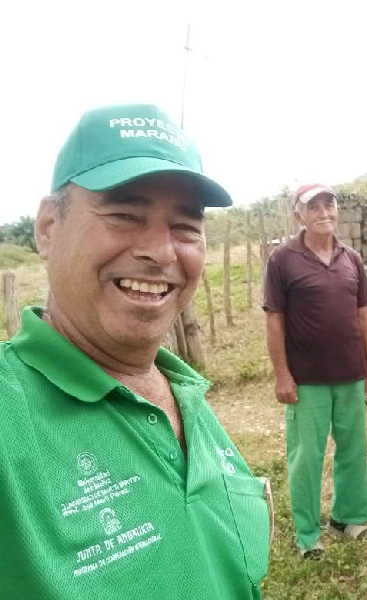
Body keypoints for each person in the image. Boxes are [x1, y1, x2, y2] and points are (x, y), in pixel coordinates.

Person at [0, 104, 271, 599]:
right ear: (47, 228)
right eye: (125, 215)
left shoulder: (185, 392)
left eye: (186, 226)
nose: (162, 251)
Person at [263, 184, 367, 559]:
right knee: (307, 457)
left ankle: (349, 516)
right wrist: (282, 374)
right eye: (313, 206)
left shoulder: (351, 258)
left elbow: (364, 315)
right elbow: (275, 320)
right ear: (300, 214)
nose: (323, 212)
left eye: (329, 204)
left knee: (352, 449)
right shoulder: (283, 259)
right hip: (307, 379)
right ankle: (308, 535)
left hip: (351, 373)